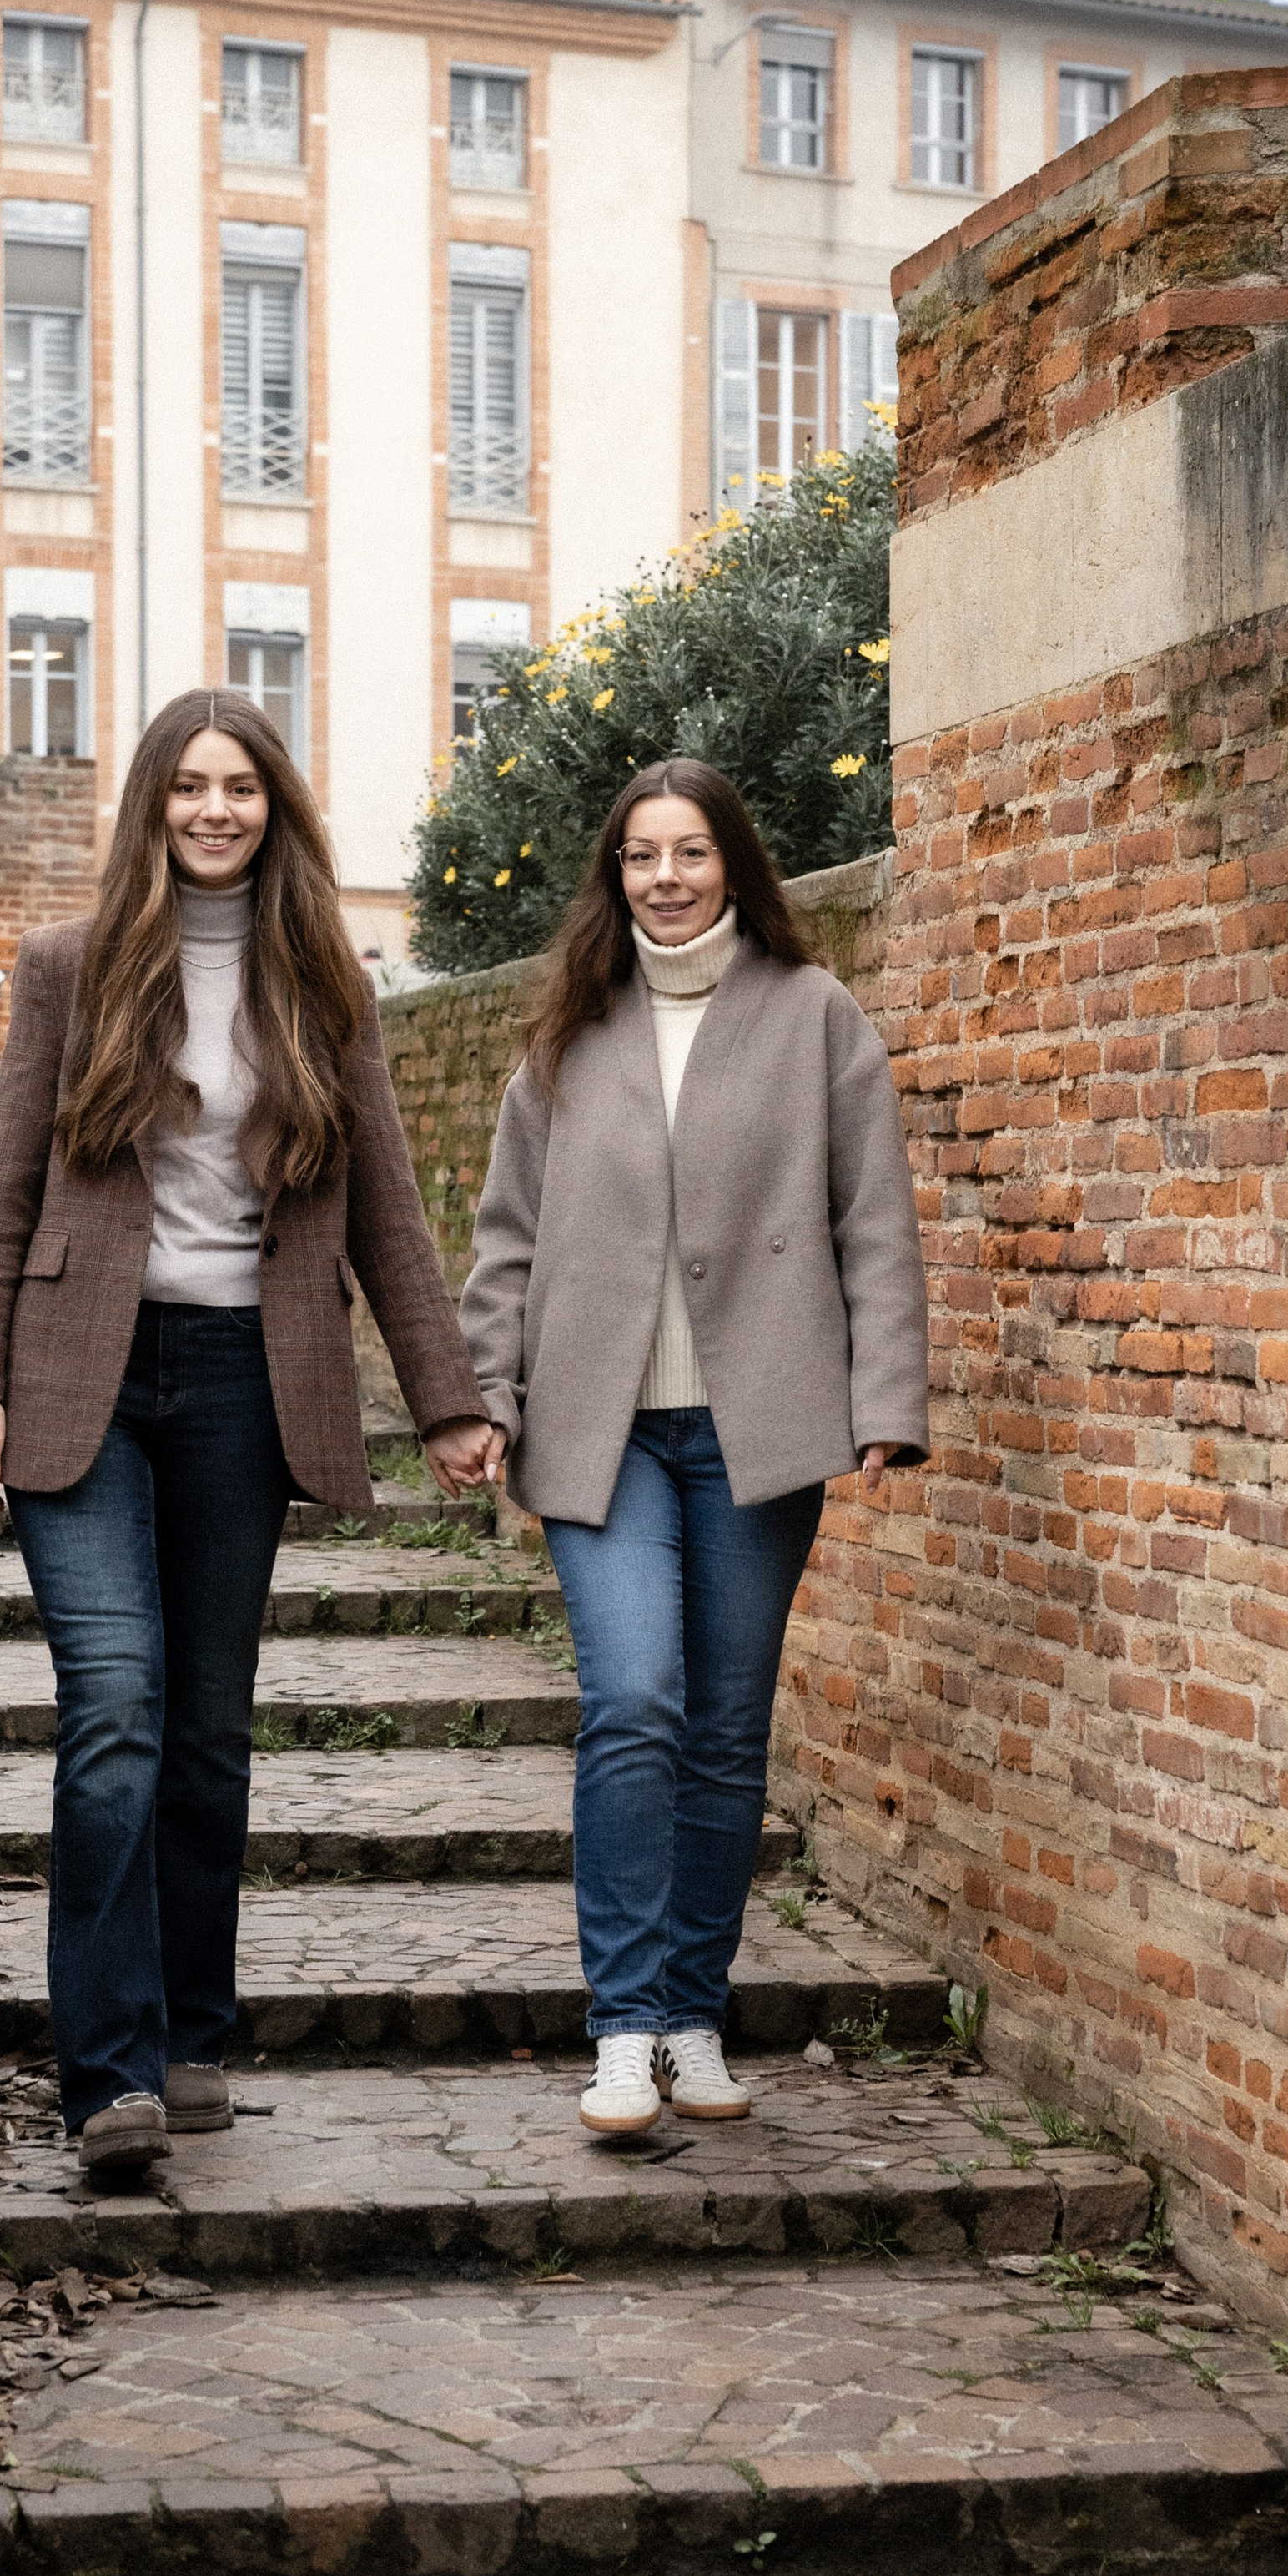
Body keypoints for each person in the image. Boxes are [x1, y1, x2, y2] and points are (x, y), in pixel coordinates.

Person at [0, 688, 497, 2185]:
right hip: (83, 1375)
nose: (212, 809)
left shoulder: (323, 981)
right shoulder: (69, 968)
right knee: (115, 1705)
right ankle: (107, 2073)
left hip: (248, 1377)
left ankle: (193, 2030)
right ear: (151, 804)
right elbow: (9, 1188)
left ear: (274, 809)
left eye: (239, 787)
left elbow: (382, 1199)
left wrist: (448, 1398)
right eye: (187, 785)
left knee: (207, 1730)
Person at [460, 757, 928, 2139]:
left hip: (759, 1425)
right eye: (642, 857)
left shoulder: (813, 1016)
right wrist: (490, 1393)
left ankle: (690, 2015)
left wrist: (890, 1396)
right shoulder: (568, 1034)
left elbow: (875, 1220)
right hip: (599, 1433)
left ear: (735, 867)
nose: (666, 878)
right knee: (635, 1704)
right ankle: (619, 2029)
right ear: (616, 878)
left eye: (692, 854)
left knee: (725, 1734)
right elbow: (505, 1246)